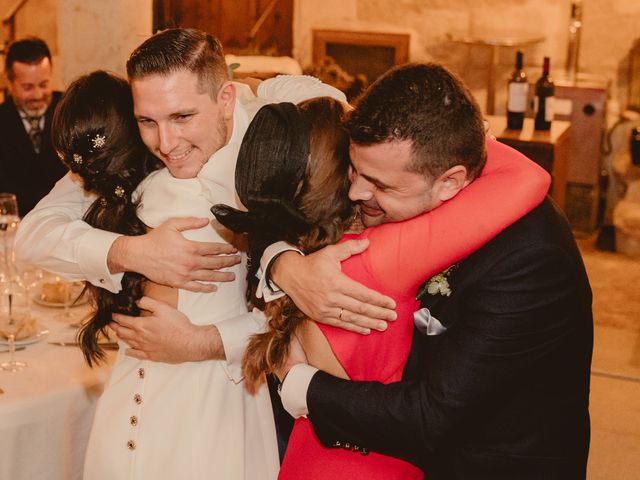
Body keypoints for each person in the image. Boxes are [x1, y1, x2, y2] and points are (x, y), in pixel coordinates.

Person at [20, 28, 345, 479]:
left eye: (183, 116)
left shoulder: (275, 150)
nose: (166, 143)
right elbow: (33, 234)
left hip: (215, 416)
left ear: (226, 99)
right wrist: (131, 252)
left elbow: (303, 320)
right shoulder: (135, 152)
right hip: (123, 412)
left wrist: (204, 342)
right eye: (147, 121)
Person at [210, 64, 550, 479]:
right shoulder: (376, 256)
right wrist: (467, 133)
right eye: (355, 170)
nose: (358, 192)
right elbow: (529, 176)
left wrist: (280, 260)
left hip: (307, 459)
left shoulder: (311, 250)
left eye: (378, 183)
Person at [0, 37, 67, 216]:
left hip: (68, 222)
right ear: (10, 83)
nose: (37, 95)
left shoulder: (69, 109)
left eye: (44, 85)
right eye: (27, 87)